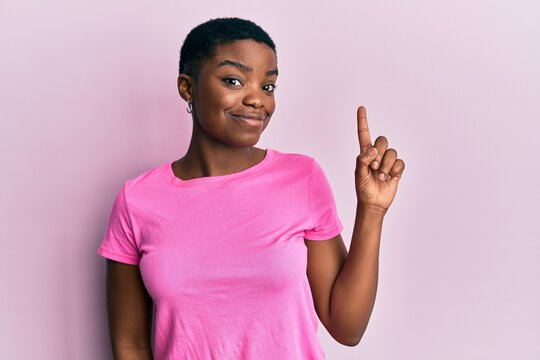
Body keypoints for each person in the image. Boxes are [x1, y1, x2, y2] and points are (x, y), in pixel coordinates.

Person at [97, 17, 405, 360]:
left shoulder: (301, 178)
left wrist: (372, 211)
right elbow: (131, 346)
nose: (258, 100)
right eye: (234, 80)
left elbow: (347, 328)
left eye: (267, 86)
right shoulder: (137, 200)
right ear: (188, 87)